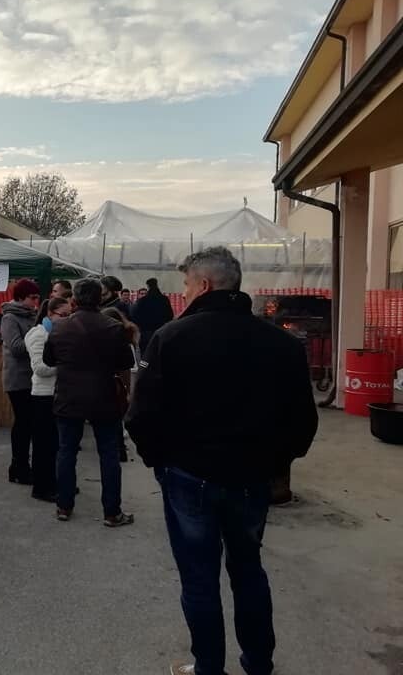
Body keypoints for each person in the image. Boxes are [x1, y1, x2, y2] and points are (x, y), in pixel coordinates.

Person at [125, 246, 318, 675]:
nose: (184, 293)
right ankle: (258, 663)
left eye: (187, 285)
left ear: (204, 284)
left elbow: (141, 416)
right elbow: (303, 422)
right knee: (249, 571)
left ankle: (208, 667)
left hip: (188, 476)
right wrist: (274, 463)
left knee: (199, 579)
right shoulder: (281, 343)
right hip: (252, 478)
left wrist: (161, 464)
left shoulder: (172, 337)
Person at [43, 278, 134, 525]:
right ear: (100, 298)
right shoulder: (113, 327)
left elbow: (49, 360)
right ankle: (112, 512)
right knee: (109, 454)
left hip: (68, 397)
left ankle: (64, 506)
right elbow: (126, 362)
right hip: (103, 397)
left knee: (66, 452)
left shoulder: (59, 328)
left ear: (74, 300)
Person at [24, 296, 71, 503]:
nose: (67, 319)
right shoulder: (38, 334)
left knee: (55, 444)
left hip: (57, 393)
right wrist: (64, 366)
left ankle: (57, 482)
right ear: (50, 314)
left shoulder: (57, 333)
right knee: (44, 445)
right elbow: (40, 368)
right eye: (63, 315)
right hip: (43, 395)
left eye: (70, 315)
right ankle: (42, 487)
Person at [0, 279, 40, 485]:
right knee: (23, 423)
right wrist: (39, 341)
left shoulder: (32, 315)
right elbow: (15, 346)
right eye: (32, 298)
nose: (35, 302)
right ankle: (19, 467)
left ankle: (20, 466)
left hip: (32, 377)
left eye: (37, 298)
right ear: (20, 297)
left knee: (28, 423)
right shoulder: (9, 318)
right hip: (18, 378)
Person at [102, 306, 142, 463]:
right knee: (118, 416)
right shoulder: (128, 336)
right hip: (123, 381)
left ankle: (119, 448)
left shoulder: (117, 340)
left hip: (116, 382)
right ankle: (120, 449)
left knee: (113, 417)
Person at [130, 277, 175, 352]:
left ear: (148, 286)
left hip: (146, 334)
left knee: (146, 355)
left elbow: (135, 316)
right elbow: (170, 315)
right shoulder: (164, 299)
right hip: (161, 332)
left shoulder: (142, 301)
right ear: (157, 285)